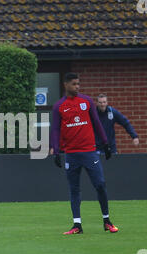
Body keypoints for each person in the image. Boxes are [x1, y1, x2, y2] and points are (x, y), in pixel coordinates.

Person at [50, 73, 119, 235]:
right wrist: (56, 150)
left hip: (89, 152)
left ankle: (107, 221)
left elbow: (96, 122)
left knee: (100, 184)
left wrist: (106, 144)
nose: (77, 87)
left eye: (78, 84)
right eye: (74, 84)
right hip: (71, 154)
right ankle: (77, 225)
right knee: (74, 189)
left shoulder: (86, 101)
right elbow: (55, 130)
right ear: (66, 85)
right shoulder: (59, 106)